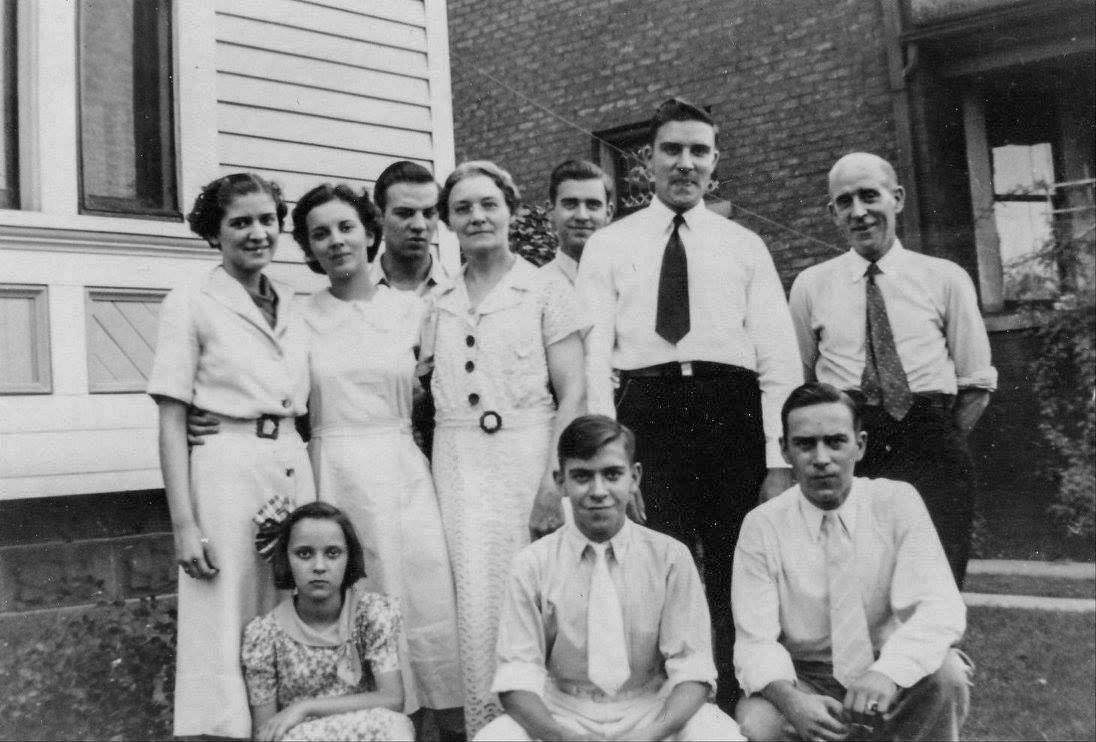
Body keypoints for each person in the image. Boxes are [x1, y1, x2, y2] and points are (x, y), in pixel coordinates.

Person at [576, 97, 802, 704]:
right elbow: (595, 360)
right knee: (655, 568)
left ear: (714, 162)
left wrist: (779, 459)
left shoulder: (744, 245)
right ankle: (663, 707)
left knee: (738, 569)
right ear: (647, 160)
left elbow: (779, 359)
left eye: (698, 151)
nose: (685, 163)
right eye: (672, 149)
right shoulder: (609, 245)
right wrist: (612, 457)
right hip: (647, 414)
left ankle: (734, 708)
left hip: (730, 414)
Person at [147, 173, 315, 738]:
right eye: (240, 222)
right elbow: (171, 420)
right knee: (225, 621)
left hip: (292, 462)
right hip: (224, 472)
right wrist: (183, 526)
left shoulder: (294, 302)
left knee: (289, 614)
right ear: (214, 233)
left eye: (267, 219)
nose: (257, 232)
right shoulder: (191, 301)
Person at [290, 184, 464, 728]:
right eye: (320, 233)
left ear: (369, 232)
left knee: (424, 594)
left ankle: (441, 724)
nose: (336, 241)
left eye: (345, 227)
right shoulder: (297, 317)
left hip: (401, 469)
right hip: (334, 470)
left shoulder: (415, 312)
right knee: (360, 599)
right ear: (308, 248)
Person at [429, 160, 589, 736]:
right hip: (460, 466)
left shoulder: (546, 288)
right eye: (463, 208)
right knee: (476, 602)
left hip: (528, 457)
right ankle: (492, 729)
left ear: (513, 212)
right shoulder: (439, 301)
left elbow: (573, 391)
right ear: (448, 221)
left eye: (488, 204)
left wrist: (553, 480)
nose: (476, 217)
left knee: (539, 593)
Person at [788, 152, 997, 586]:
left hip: (930, 439)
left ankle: (942, 654)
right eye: (845, 202)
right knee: (859, 576)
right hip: (853, 442)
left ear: (897, 198)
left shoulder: (944, 277)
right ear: (833, 213)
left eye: (869, 196)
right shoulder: (811, 286)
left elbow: (976, 382)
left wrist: (940, 434)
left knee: (937, 573)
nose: (859, 212)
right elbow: (801, 379)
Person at [476, 415, 743, 742]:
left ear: (634, 478)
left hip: (650, 707)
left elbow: (693, 668)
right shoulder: (532, 563)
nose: (598, 491)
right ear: (561, 481)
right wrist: (563, 737)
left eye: (612, 474)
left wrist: (653, 734)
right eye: (582, 476)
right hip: (564, 710)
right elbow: (516, 677)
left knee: (719, 735)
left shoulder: (670, 557)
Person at [732, 382, 972, 742]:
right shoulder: (762, 525)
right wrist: (793, 702)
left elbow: (940, 609)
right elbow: (755, 640)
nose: (821, 458)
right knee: (757, 722)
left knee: (948, 675)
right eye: (805, 444)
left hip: (887, 669)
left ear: (859, 444)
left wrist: (889, 673)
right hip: (807, 680)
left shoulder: (896, 502)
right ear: (784, 451)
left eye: (835, 441)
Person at [242, 501, 415, 741]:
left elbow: (392, 698)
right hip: (301, 737)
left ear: (349, 557)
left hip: (363, 731)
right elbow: (266, 730)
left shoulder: (370, 613)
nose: (319, 566)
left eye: (333, 553)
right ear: (286, 559)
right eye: (304, 554)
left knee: (395, 725)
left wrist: (304, 708)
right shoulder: (265, 633)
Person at [371, 160, 452, 298]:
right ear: (380, 217)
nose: (419, 225)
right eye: (405, 213)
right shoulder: (352, 293)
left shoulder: (458, 290)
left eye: (428, 213)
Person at [540, 159, 615, 287]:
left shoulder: (630, 280)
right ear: (550, 211)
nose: (582, 216)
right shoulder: (532, 289)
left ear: (608, 213)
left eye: (593, 205)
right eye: (570, 204)